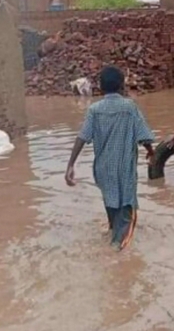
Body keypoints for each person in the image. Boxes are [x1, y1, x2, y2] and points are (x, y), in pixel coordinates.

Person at [65, 65, 156, 251]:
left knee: (111, 201)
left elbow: (82, 136)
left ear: (100, 87)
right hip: (124, 169)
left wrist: (70, 165)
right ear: (122, 86)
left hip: (103, 169)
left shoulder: (94, 110)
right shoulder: (129, 107)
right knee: (127, 208)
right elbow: (143, 135)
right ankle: (117, 251)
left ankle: (112, 233)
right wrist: (151, 151)